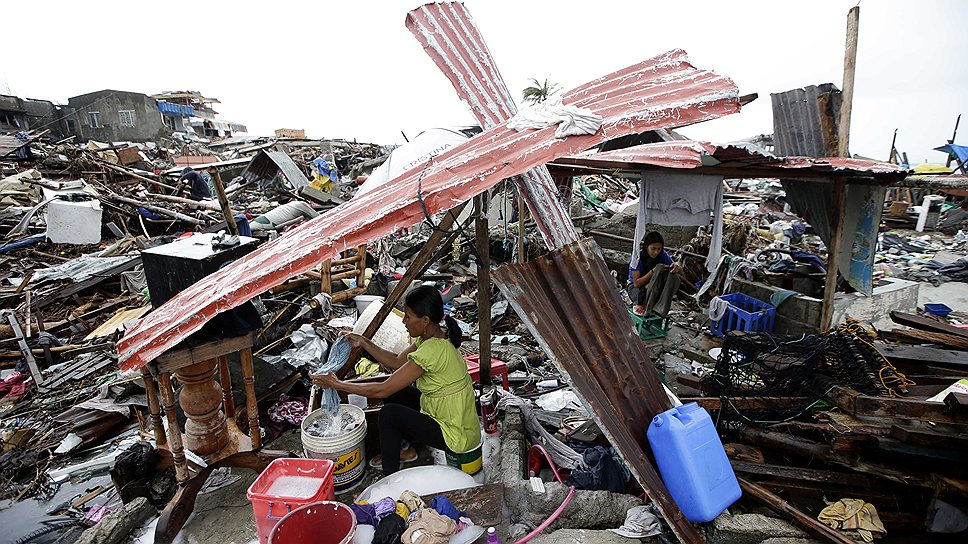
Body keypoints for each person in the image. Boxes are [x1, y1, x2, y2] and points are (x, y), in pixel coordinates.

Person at [312, 285, 480, 475]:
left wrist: (337, 384)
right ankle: (406, 451)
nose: (403, 321)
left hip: (457, 433)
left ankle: (389, 476)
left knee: (389, 415)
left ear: (425, 320)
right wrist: (364, 341)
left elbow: (382, 390)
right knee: (399, 392)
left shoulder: (432, 351)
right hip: (447, 412)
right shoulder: (433, 336)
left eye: (408, 317)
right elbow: (396, 362)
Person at [629, 231, 681, 316]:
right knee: (650, 287)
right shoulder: (637, 258)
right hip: (636, 289)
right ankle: (648, 308)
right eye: (653, 249)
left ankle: (660, 310)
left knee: (672, 277)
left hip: (653, 286)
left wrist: (676, 267)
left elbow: (675, 268)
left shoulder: (662, 255)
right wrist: (653, 271)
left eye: (659, 249)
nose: (656, 252)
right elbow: (636, 284)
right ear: (646, 247)